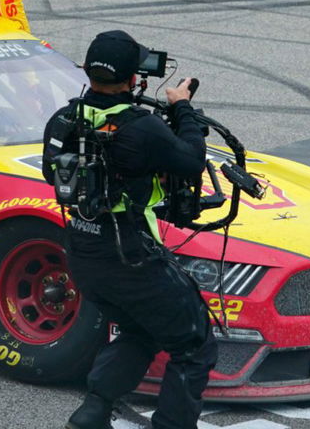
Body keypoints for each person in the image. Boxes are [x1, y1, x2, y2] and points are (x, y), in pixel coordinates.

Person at [42, 30, 217, 429]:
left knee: (142, 329)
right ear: (134, 78)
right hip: (131, 257)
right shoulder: (143, 127)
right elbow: (191, 161)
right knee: (194, 344)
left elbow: (50, 172)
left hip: (84, 255)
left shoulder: (64, 119)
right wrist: (183, 108)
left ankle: (93, 412)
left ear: (87, 71)